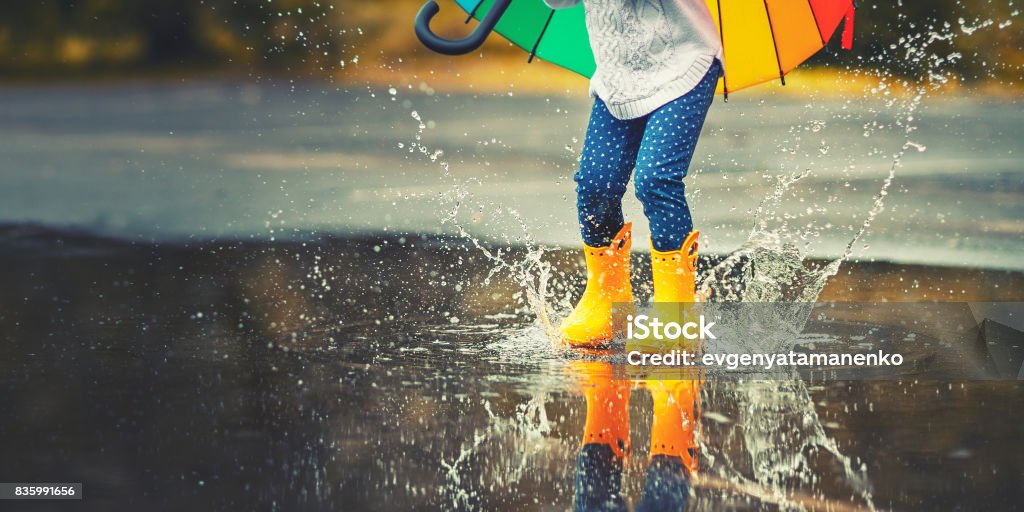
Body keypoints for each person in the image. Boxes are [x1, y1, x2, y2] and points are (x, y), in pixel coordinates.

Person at [544, 0, 724, 346]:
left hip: (683, 64)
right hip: (618, 79)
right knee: (596, 185)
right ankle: (608, 303)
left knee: (656, 179)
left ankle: (677, 314)